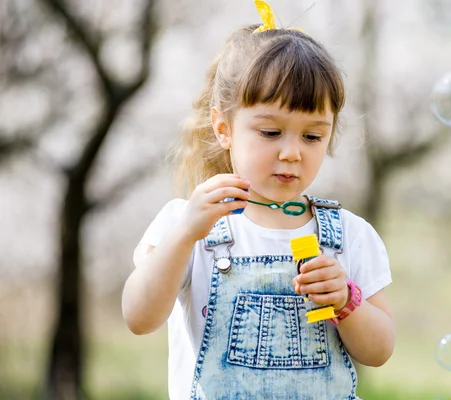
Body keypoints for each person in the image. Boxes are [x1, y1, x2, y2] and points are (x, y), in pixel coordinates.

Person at [122, 1, 395, 399]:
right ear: (223, 128)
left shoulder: (347, 235)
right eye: (270, 132)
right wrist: (183, 236)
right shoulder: (188, 224)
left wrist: (346, 301)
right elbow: (139, 318)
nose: (292, 152)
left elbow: (379, 350)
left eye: (312, 136)